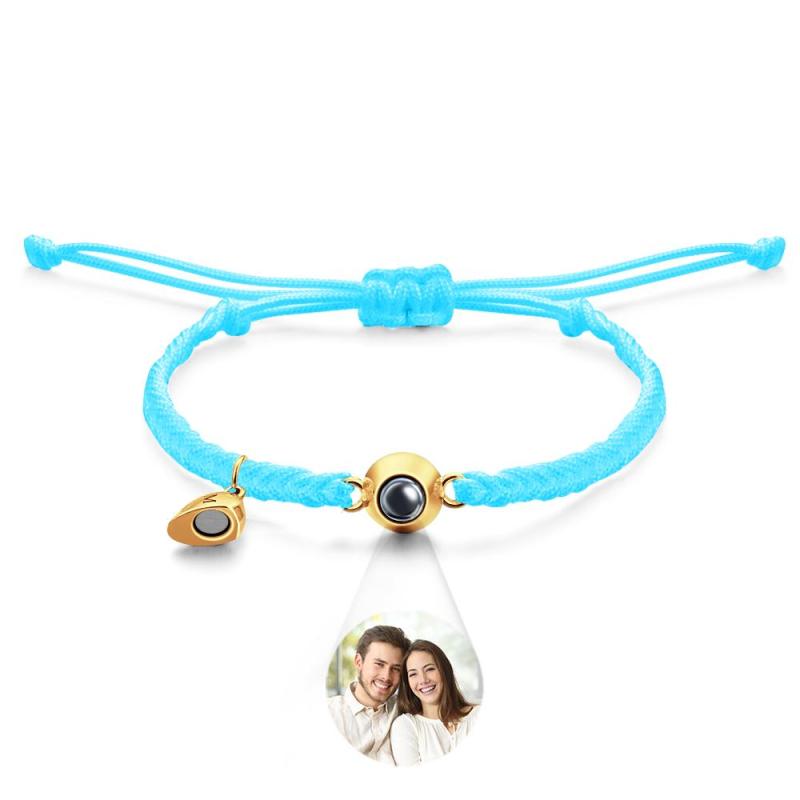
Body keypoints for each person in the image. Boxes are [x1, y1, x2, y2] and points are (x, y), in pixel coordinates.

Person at [328, 625, 411, 763]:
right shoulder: (330, 713)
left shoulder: (405, 708)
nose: (386, 676)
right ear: (358, 662)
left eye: (396, 669)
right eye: (379, 664)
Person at [390, 639, 478, 766]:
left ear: (445, 670)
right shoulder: (406, 726)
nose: (423, 680)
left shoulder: (477, 715)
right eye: (413, 674)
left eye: (430, 669)